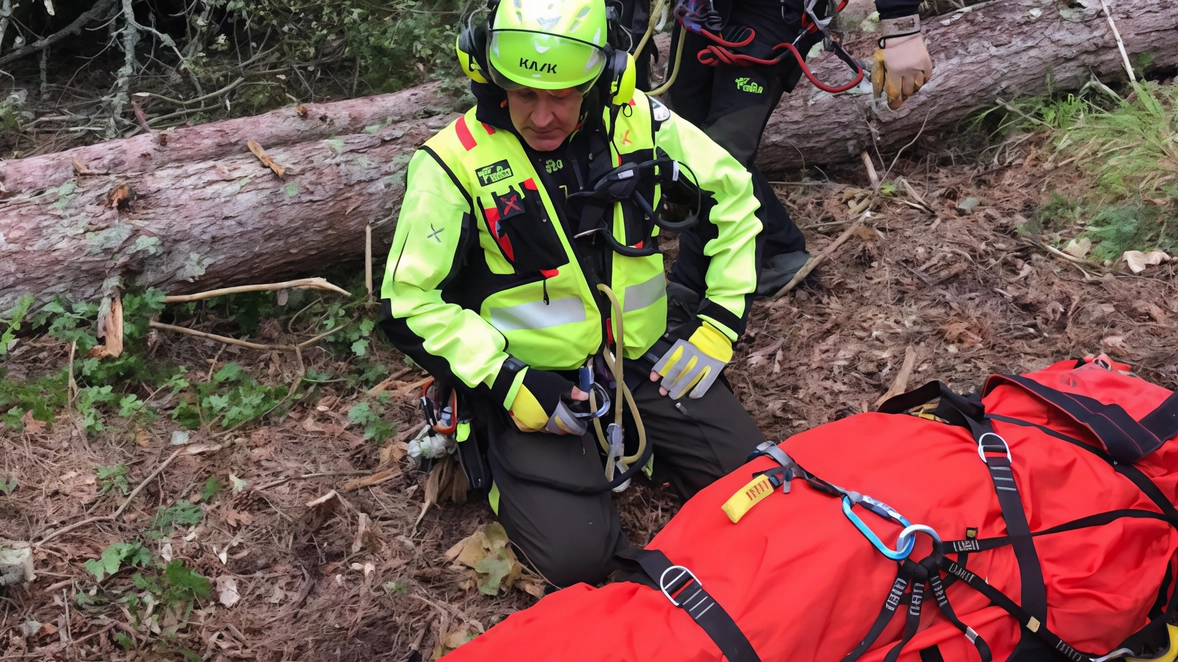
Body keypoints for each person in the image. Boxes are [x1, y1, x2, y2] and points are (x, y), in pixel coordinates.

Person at [378, 0, 767, 588]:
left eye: (562, 94)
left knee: (755, 484)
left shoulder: (638, 120)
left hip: (639, 356)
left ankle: (644, 444)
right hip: (531, 381)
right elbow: (408, 302)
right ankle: (488, 442)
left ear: (603, 77)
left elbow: (733, 197)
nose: (542, 117)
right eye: (524, 94)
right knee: (578, 561)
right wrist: (507, 381)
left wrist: (717, 323)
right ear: (491, 76)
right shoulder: (451, 162)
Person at [627, 0, 931, 305]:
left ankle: (690, 289)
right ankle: (777, 248)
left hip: (775, 14)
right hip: (700, 10)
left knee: (720, 154)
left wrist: (902, 26)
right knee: (686, 139)